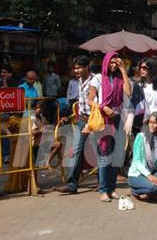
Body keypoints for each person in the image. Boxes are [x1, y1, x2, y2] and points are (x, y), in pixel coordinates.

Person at [91, 53, 132, 203]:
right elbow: (90, 100)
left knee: (116, 157)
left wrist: (123, 70)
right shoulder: (97, 78)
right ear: (106, 62)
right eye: (111, 63)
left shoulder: (119, 78)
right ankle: (103, 190)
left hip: (118, 118)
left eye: (116, 63)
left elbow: (128, 92)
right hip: (103, 120)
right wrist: (103, 107)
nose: (113, 65)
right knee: (105, 156)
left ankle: (112, 188)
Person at [55, 55, 98, 195]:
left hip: (93, 121)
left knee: (98, 152)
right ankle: (72, 185)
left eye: (79, 67)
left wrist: (91, 123)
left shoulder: (95, 80)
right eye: (75, 68)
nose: (76, 70)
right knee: (77, 152)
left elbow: (97, 103)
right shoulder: (78, 81)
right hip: (81, 120)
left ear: (86, 67)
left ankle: (104, 182)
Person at [127, 112, 157, 200]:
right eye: (150, 122)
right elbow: (137, 161)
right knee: (155, 188)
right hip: (137, 174)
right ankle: (134, 190)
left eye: (154, 123)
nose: (151, 125)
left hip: (151, 172)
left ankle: (150, 190)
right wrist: (149, 175)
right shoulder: (141, 137)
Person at [129, 58, 157, 131]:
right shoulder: (138, 85)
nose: (141, 69)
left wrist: (156, 117)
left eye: (144, 68)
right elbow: (133, 104)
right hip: (141, 125)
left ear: (152, 69)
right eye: (140, 67)